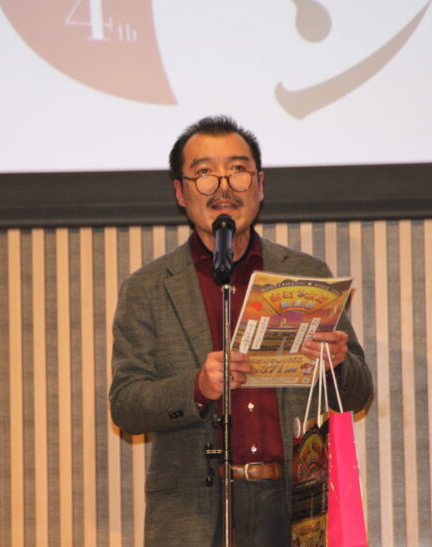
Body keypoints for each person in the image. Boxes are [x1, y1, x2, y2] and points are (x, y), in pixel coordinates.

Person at [109, 116, 373, 546]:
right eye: (204, 173)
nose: (223, 186)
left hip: (294, 505)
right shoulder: (148, 288)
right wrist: (197, 387)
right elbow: (126, 405)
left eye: (238, 170)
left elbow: (359, 393)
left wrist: (338, 364)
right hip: (194, 514)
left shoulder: (306, 273)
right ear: (180, 192)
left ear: (260, 185)